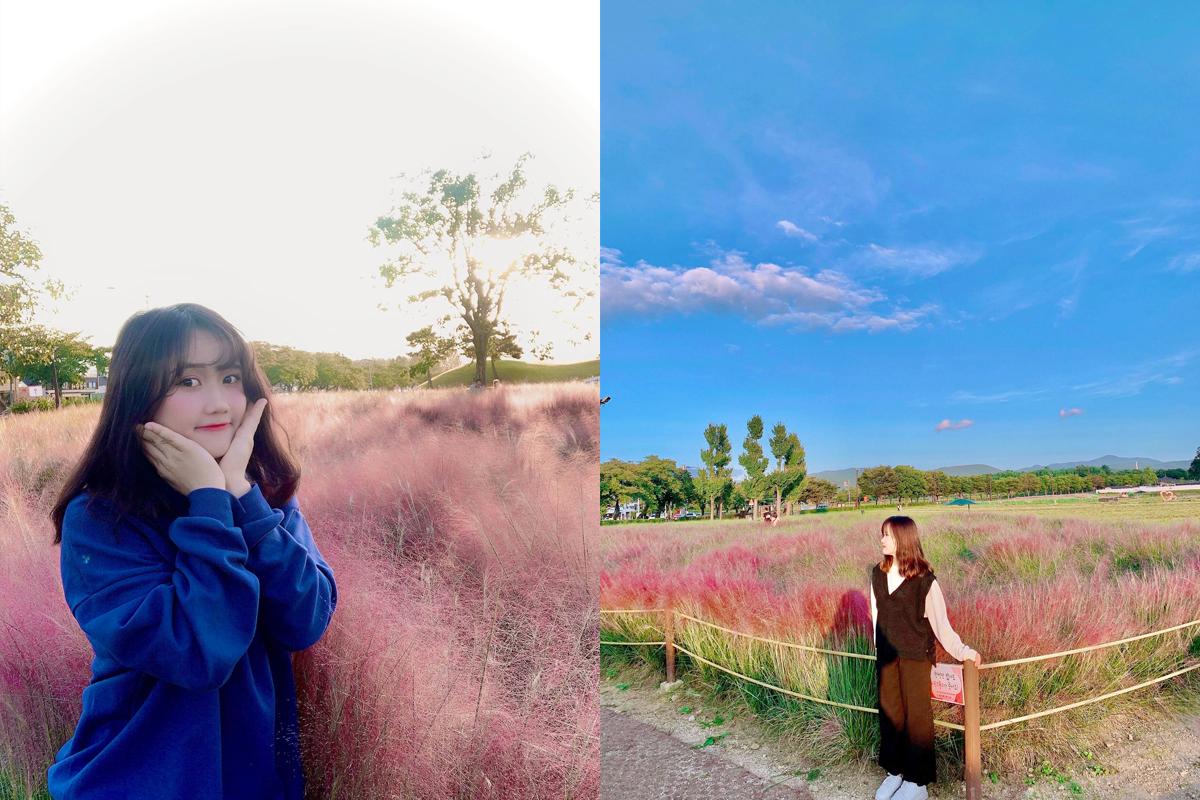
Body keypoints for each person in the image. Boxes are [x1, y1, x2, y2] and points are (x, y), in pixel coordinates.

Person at [46, 303, 337, 800]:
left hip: (254, 782)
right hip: (135, 779)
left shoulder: (262, 497)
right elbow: (198, 652)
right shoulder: (100, 517)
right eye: (187, 382)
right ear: (139, 395)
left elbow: (305, 621)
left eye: (229, 377)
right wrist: (208, 503)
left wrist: (242, 500)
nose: (220, 403)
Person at [869, 516, 981, 800]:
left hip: (915, 659)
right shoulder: (877, 574)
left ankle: (917, 783)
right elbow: (875, 618)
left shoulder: (925, 580)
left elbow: (942, 626)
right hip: (886, 657)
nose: (882, 540)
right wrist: (877, 651)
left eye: (888, 535)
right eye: (882, 534)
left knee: (917, 718)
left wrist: (964, 652)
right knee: (890, 715)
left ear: (904, 540)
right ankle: (895, 772)